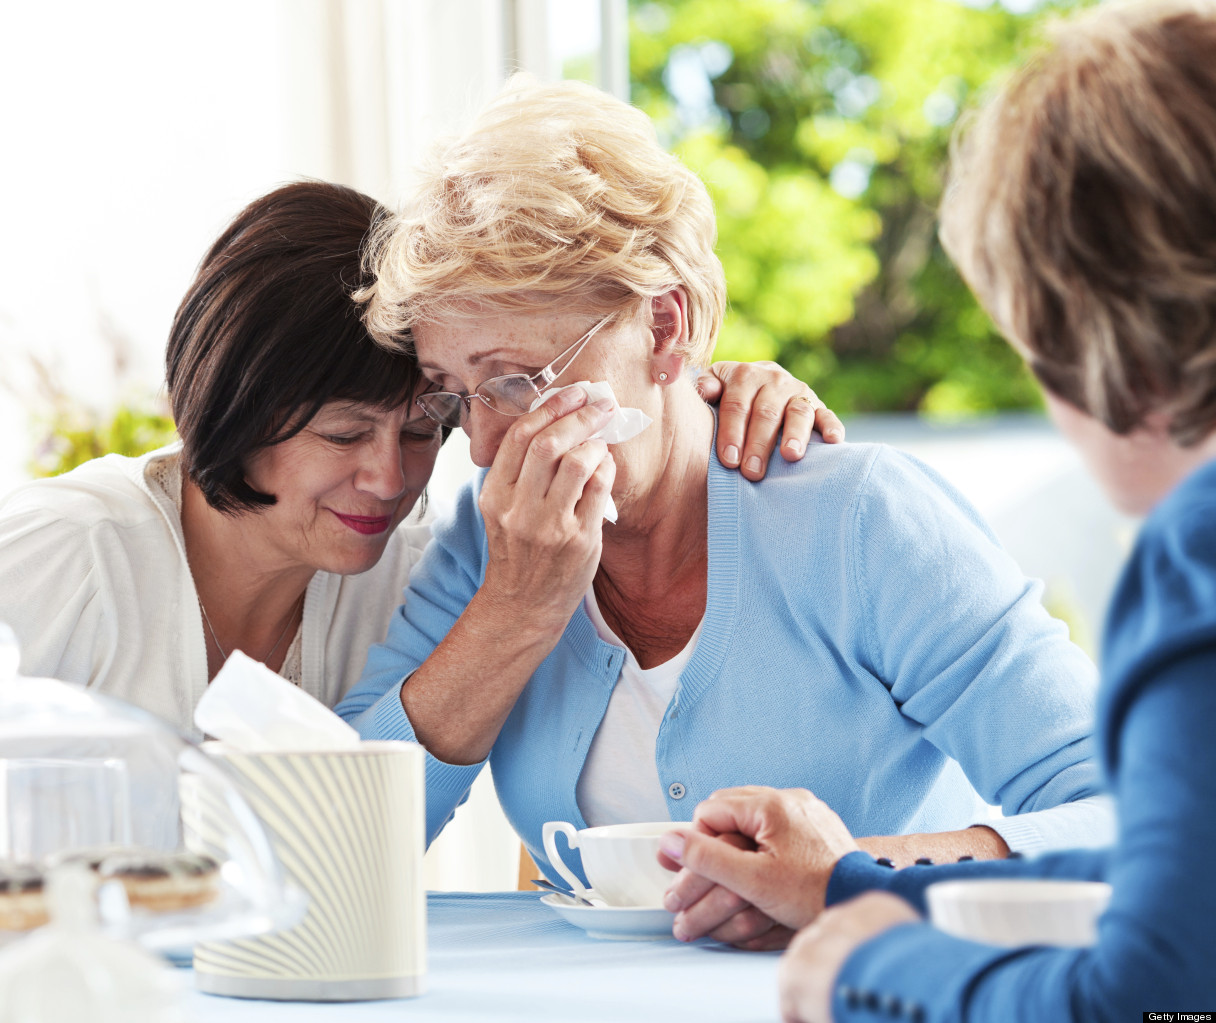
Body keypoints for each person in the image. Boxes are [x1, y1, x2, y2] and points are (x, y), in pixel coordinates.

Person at [334, 74, 1114, 949]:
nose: (482, 448)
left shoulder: (861, 521)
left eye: (517, 382)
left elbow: (1133, 820)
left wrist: (852, 883)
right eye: (454, 395)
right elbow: (339, 842)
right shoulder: (491, 542)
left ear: (664, 331)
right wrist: (515, 611)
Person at [656, 2, 1216, 1016]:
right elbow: (1179, 884)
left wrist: (872, 968)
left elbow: (1153, 975)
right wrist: (854, 889)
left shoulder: (1197, 551)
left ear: (1078, 330)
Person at [0, 181, 837, 731]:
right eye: (342, 434)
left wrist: (702, 396)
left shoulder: (400, 580)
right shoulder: (79, 550)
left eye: (422, 429)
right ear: (234, 397)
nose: (390, 479)